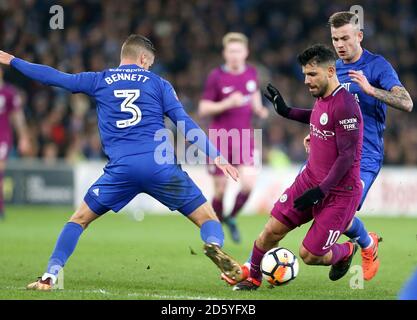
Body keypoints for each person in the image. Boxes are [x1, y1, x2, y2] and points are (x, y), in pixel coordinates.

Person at [0, 34, 246, 291]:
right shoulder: (160, 84)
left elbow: (54, 77)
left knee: (78, 220)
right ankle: (214, 246)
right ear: (142, 58)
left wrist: (14, 61)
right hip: (160, 167)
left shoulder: (100, 80)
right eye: (149, 63)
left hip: (122, 170)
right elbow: (185, 123)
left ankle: (49, 276)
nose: (149, 68)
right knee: (207, 219)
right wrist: (216, 155)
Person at [228, 44, 364, 290]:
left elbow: (347, 156)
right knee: (271, 230)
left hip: (339, 194)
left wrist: (322, 190)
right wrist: (286, 111)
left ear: (331, 71)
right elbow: (317, 117)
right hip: (310, 182)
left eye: (312, 74)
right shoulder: (324, 99)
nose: (306, 80)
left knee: (309, 254)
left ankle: (346, 250)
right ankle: (254, 277)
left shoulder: (346, 106)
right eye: (304, 74)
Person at [304, 11, 413, 281]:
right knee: (316, 209)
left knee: (341, 212)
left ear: (359, 36)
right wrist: (314, 132)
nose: (340, 45)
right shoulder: (333, 68)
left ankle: (363, 244)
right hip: (332, 153)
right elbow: (325, 106)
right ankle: (366, 243)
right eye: (335, 39)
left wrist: (371, 90)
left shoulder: (377, 66)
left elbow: (407, 102)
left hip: (365, 156)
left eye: (345, 38)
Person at [198, 32, 268, 243]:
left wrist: (259, 109)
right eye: (231, 51)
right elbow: (203, 108)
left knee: (248, 183)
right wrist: (227, 103)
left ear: (245, 52)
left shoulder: (252, 73)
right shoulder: (216, 76)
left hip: (244, 137)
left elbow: (253, 95)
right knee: (220, 190)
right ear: (225, 53)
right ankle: (216, 233)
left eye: (239, 51)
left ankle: (230, 217)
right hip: (219, 138)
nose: (235, 55)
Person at [0, 66, 30, 220]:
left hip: (2, 136)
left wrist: (23, 137)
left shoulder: (9, 93)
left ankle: (1, 207)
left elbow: (17, 117)